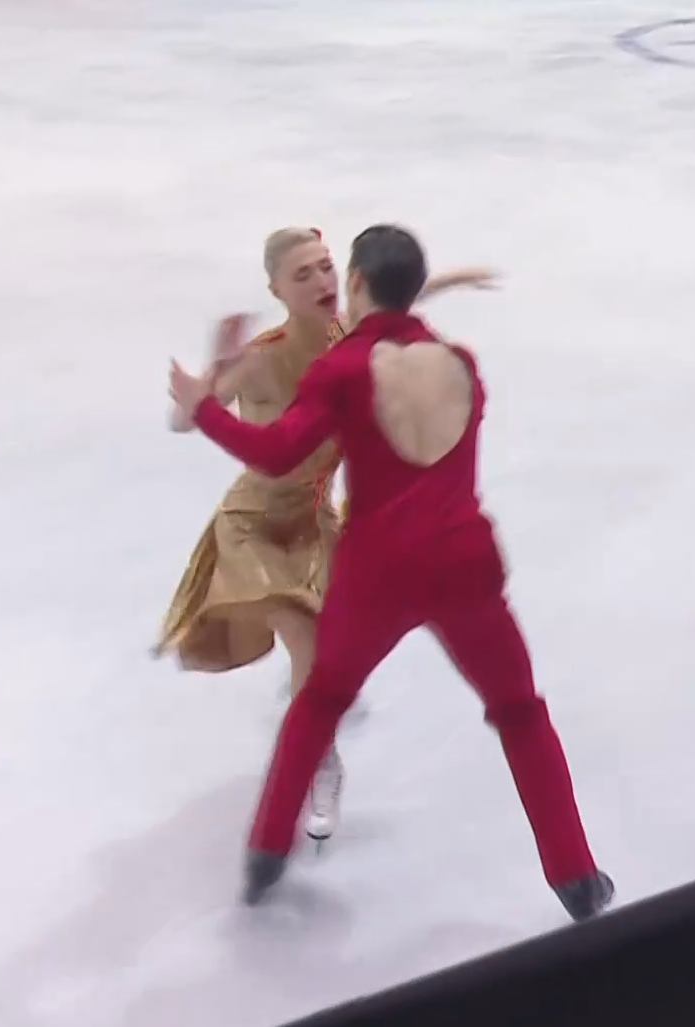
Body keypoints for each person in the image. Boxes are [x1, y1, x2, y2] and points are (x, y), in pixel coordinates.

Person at [166, 224, 614, 918]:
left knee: (320, 700)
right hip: (464, 563)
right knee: (521, 712)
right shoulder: (460, 362)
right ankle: (575, 875)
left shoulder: (342, 369)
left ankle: (265, 854)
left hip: (378, 571)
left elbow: (278, 452)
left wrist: (202, 407)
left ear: (354, 282)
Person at [156, 226, 494, 843]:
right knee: (305, 640)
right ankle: (324, 767)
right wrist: (213, 368)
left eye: (326, 267)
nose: (321, 281)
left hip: (318, 520)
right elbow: (185, 420)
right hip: (256, 527)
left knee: (323, 651)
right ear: (277, 291)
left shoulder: (351, 339)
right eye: (302, 274)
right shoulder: (260, 357)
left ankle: (310, 717)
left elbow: (401, 299)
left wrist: (451, 279)